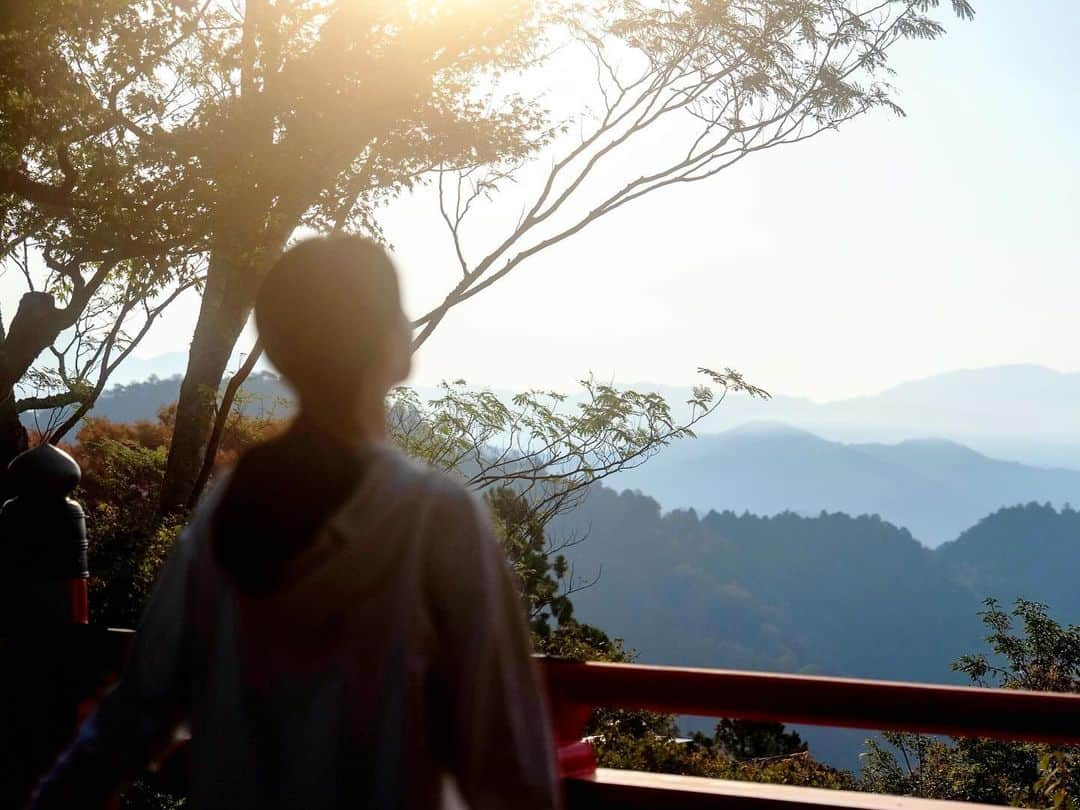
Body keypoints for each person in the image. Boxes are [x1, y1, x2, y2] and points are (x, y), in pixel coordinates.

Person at [31, 236, 561, 809]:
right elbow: (508, 762)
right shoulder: (433, 516)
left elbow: (135, 715)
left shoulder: (226, 507)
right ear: (384, 339)